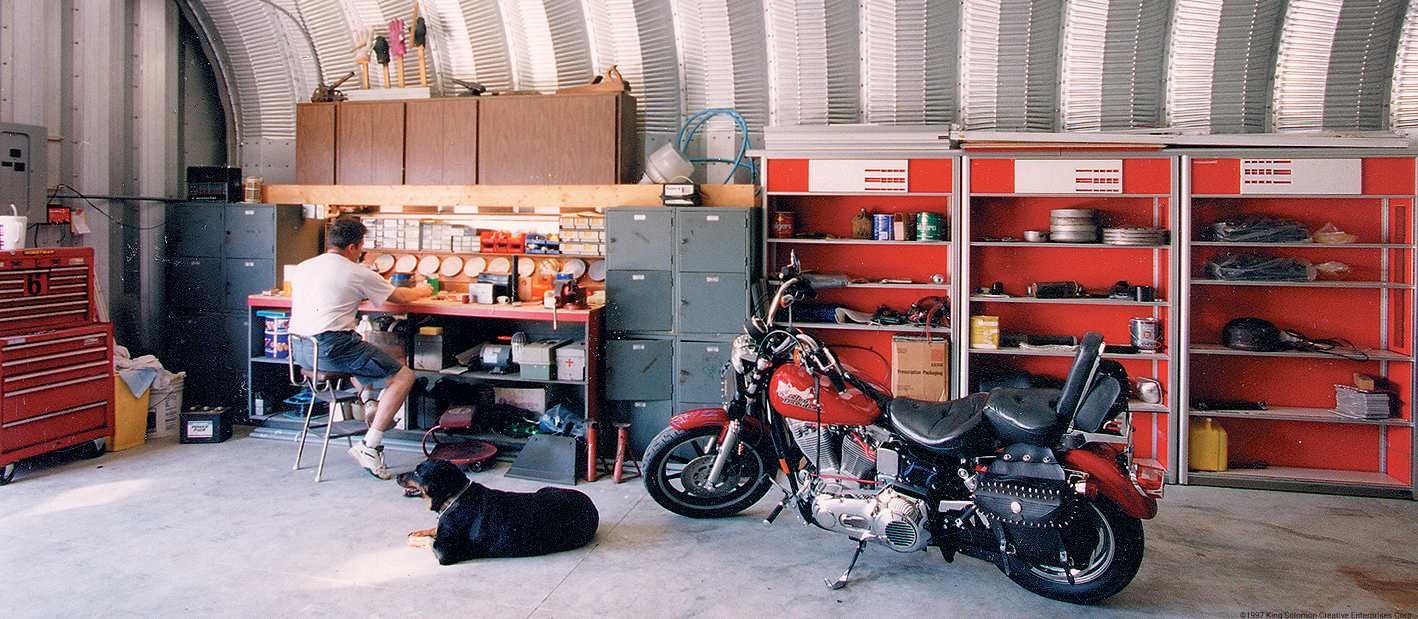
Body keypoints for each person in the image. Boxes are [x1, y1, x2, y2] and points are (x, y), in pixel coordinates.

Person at [289, 216, 432, 479]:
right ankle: (369, 446)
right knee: (403, 376)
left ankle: (368, 402)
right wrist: (424, 290)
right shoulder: (357, 272)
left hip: (303, 352)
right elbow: (400, 297)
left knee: (359, 346)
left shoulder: (304, 267)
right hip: (332, 349)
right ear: (353, 247)